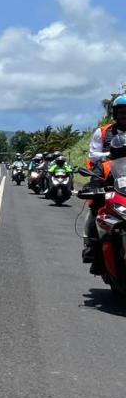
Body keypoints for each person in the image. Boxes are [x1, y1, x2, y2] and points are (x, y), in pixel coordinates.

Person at [84, 133, 126, 271]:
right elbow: (95, 179)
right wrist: (92, 187)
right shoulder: (105, 166)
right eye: (122, 152)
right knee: (93, 217)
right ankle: (94, 252)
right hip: (109, 202)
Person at [89, 95, 126, 167]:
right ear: (116, 114)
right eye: (121, 112)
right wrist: (111, 155)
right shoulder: (102, 132)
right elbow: (92, 156)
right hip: (110, 170)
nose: (125, 116)